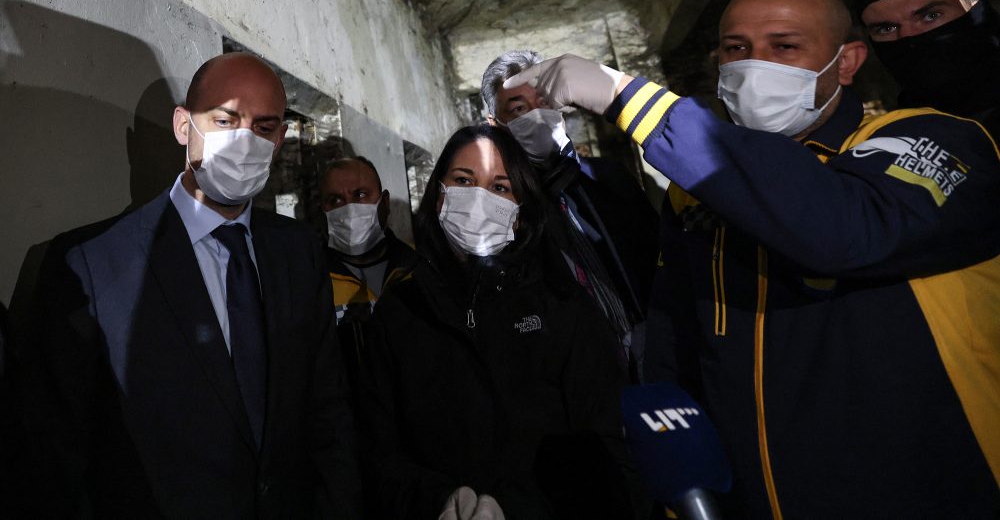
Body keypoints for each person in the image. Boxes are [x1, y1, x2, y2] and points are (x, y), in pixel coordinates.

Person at [502, 0, 1000, 518]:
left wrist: (631, 99)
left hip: (933, 488)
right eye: (736, 49)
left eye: (784, 46)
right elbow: (679, 342)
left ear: (848, 61)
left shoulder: (938, 140)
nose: (755, 64)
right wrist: (686, 479)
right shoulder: (695, 194)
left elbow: (843, 231)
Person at [19, 53, 362, 518]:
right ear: (184, 126)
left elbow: (328, 410)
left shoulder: (297, 251)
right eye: (224, 120)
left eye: (263, 128)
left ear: (281, 139)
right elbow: (52, 453)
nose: (244, 142)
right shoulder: (90, 263)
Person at [357, 125, 646, 520]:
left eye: (500, 187)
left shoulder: (563, 306)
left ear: (520, 214)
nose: (478, 198)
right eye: (463, 180)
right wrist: (438, 499)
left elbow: (609, 453)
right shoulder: (399, 311)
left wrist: (515, 509)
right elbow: (376, 453)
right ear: (438, 194)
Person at [481, 50, 658, 379]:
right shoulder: (500, 211)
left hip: (656, 350)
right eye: (519, 109)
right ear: (496, 124)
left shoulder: (609, 178)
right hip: (575, 372)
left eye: (545, 102)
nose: (538, 115)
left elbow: (657, 258)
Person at [858, 0, 1000, 139]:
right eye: (887, 29)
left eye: (931, 16)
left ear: (976, 10)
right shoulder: (899, 139)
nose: (909, 37)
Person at [320, 156, 417, 393]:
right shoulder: (312, 281)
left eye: (360, 195)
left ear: (384, 202)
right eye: (336, 199)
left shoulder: (419, 270)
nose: (349, 208)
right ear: (323, 209)